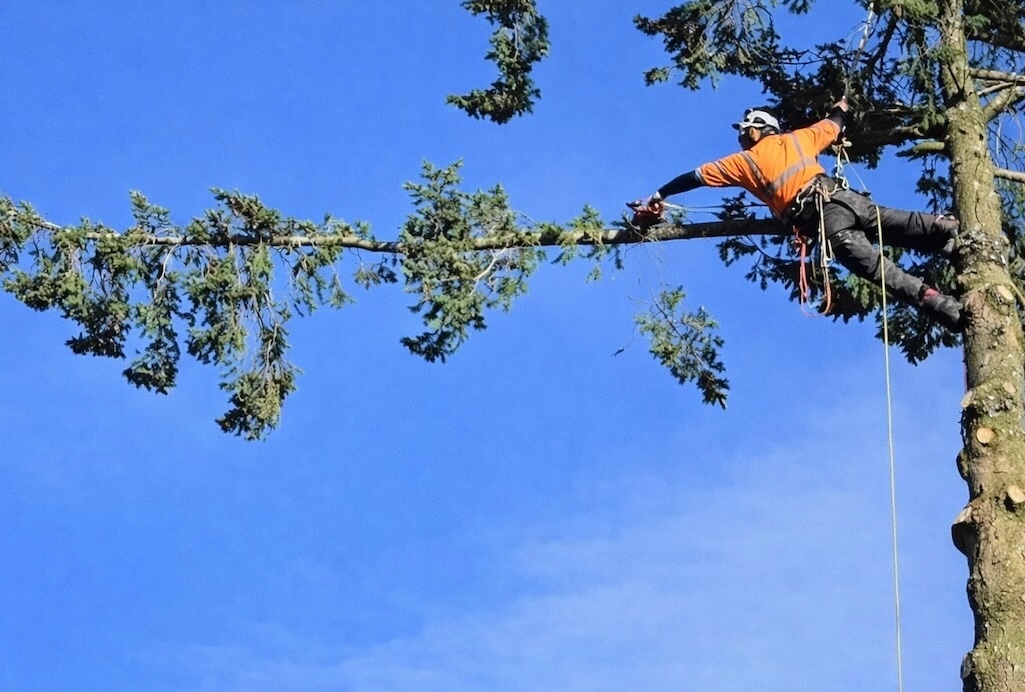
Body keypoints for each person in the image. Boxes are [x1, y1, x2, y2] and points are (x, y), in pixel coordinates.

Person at [633, 98, 963, 331]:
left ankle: (942, 305)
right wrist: (841, 108)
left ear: (756, 131)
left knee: (883, 272)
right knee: (900, 224)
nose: (741, 136)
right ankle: (952, 233)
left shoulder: (745, 161)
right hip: (847, 199)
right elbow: (834, 123)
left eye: (744, 130)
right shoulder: (800, 138)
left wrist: (658, 195)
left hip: (827, 220)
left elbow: (694, 177)